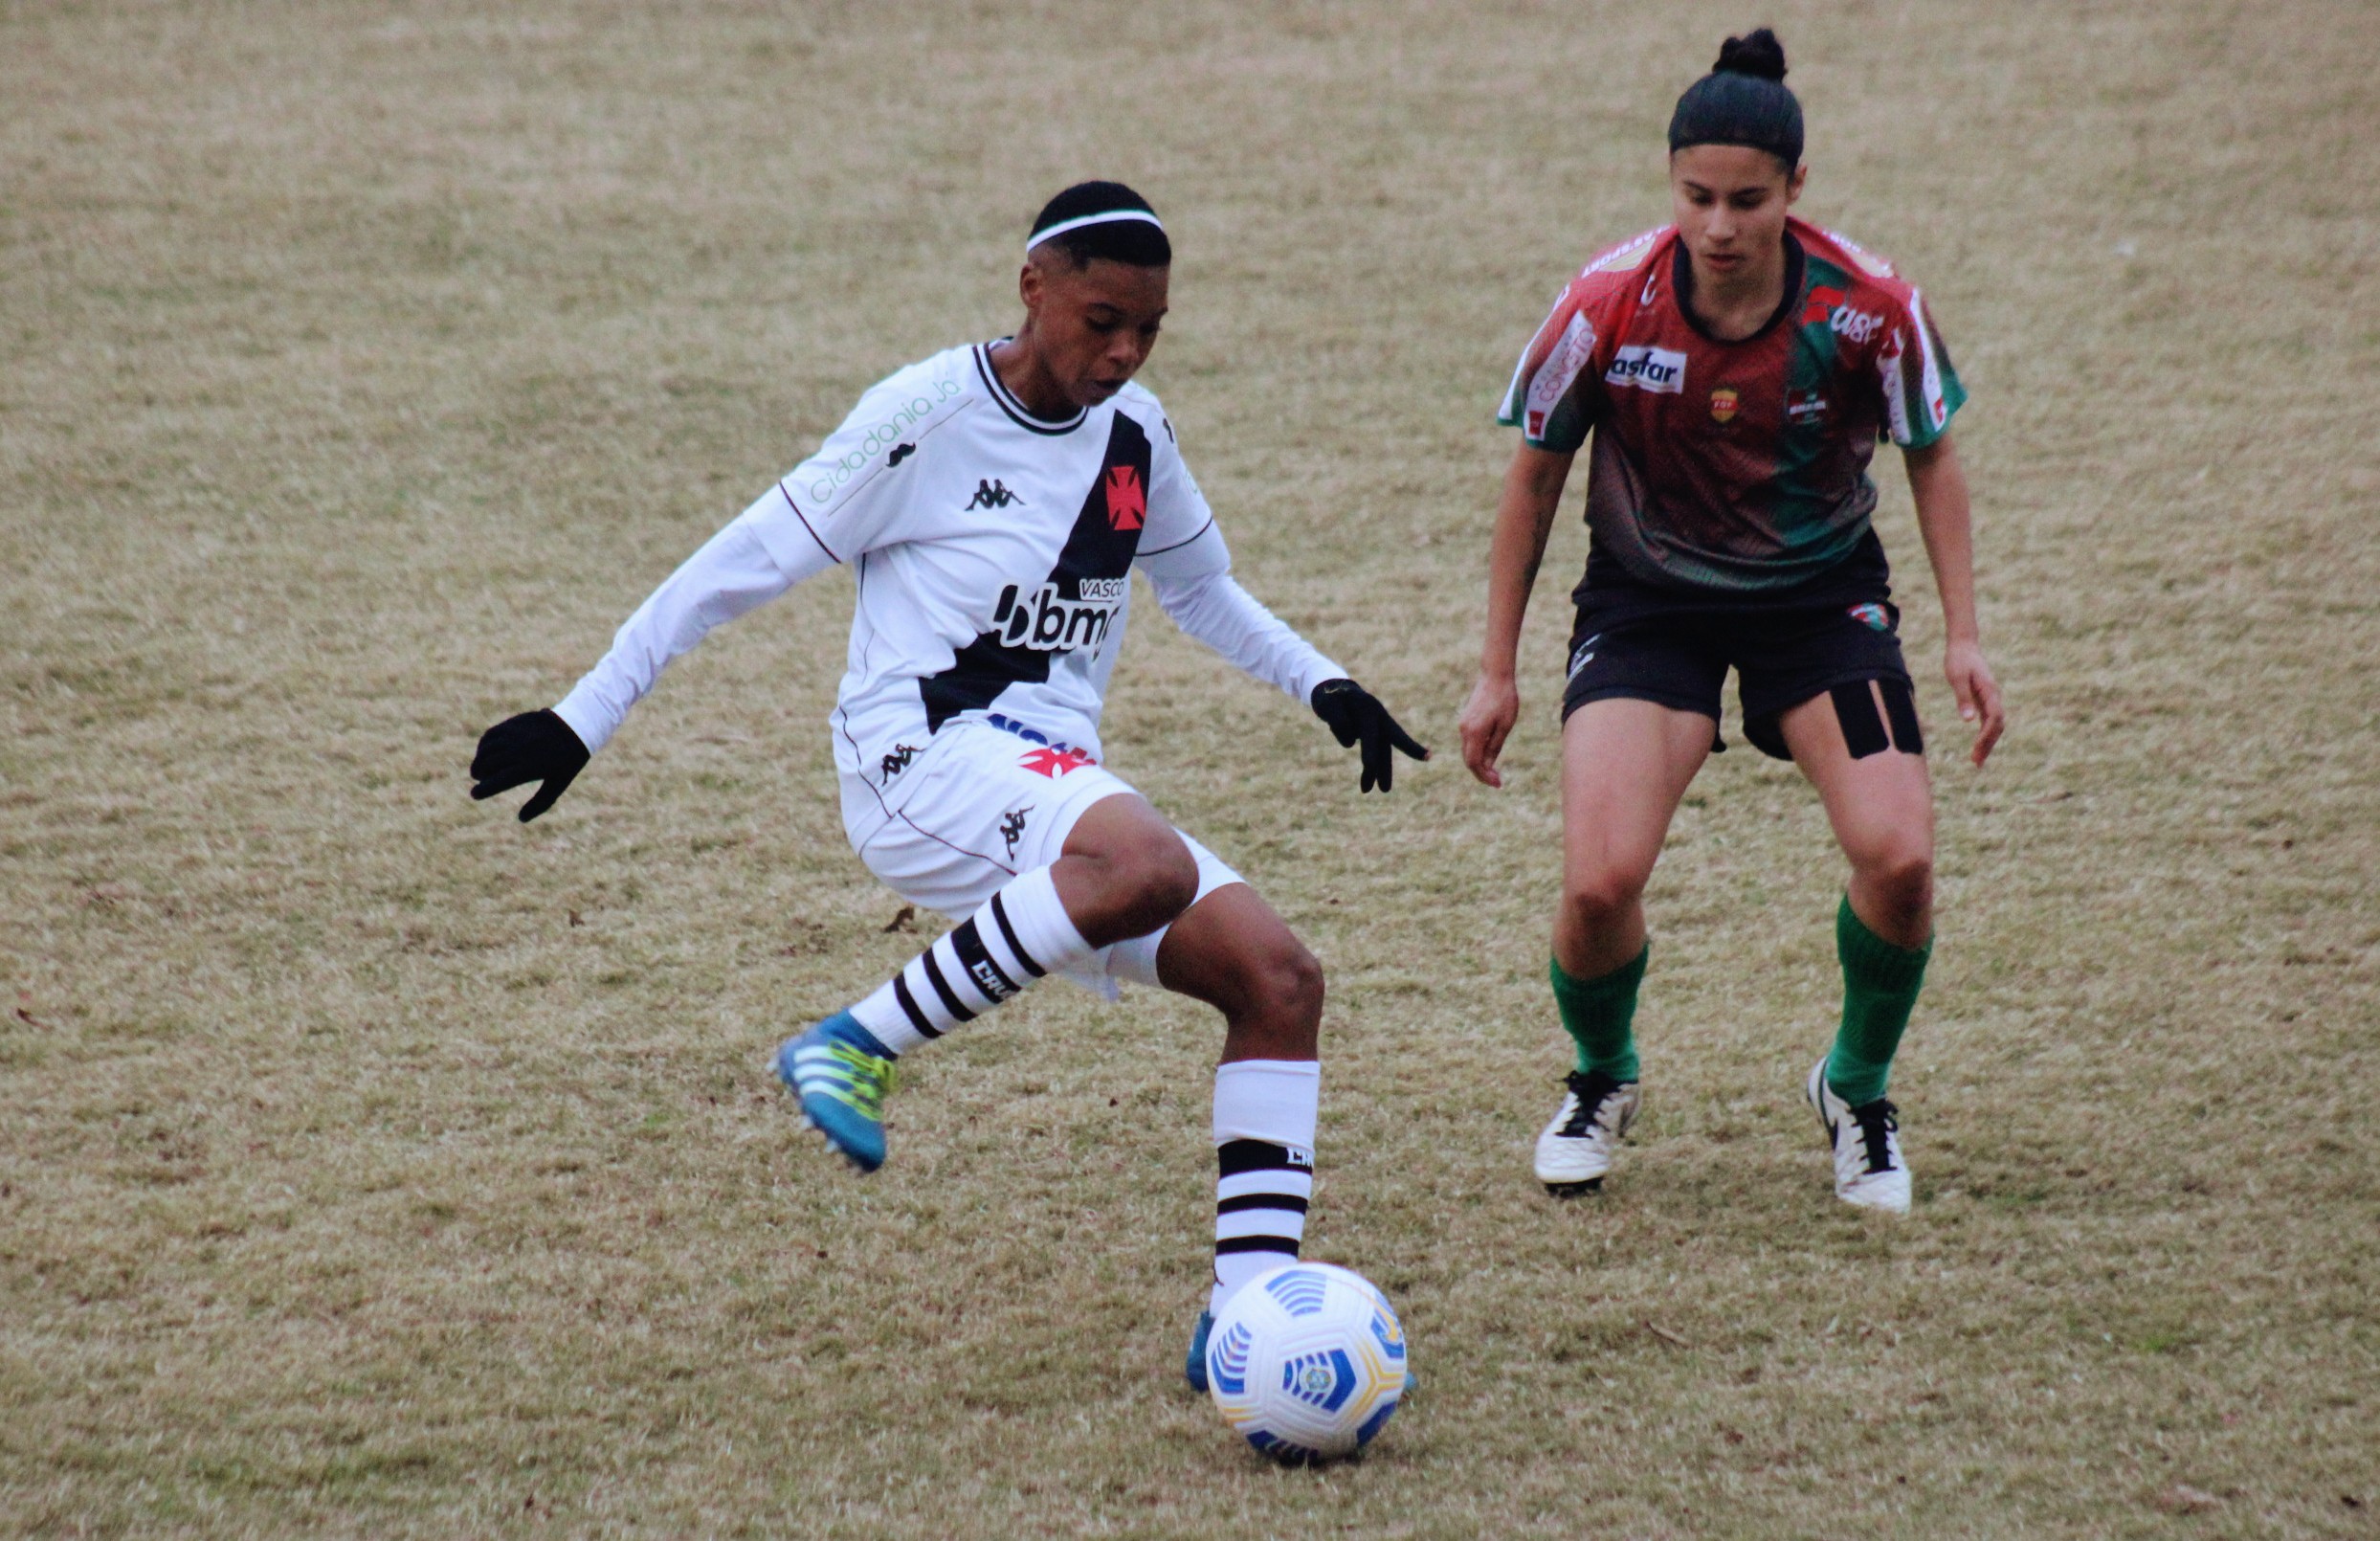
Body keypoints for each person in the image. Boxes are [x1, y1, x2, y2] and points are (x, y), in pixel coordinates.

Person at [469, 182, 1427, 1382]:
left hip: (1051, 776)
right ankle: (850, 1043)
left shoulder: (1136, 437)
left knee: (1280, 979)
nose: (1123, 350)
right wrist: (584, 713)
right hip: (916, 759)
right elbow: (742, 560)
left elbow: (1198, 589)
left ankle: (1243, 1324)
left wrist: (1325, 685)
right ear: (1032, 290)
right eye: (1100, 319)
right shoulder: (924, 415)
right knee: (1145, 863)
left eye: (1150, 328)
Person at [1457, 32, 2005, 1214]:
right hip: (1649, 607)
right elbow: (1533, 478)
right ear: (1672, 183)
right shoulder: (1605, 303)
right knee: (1600, 881)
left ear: (1795, 191)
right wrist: (1494, 670)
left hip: (1821, 607)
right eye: (1697, 196)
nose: (1719, 224)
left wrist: (1963, 633)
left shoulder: (1870, 308)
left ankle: (1854, 1089)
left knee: (1901, 856)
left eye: (1747, 200)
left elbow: (1933, 451)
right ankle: (1602, 1077)